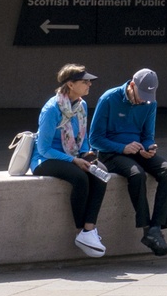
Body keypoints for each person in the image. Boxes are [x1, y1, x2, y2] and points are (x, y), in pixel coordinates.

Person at [90, 68, 167, 256]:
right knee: (137, 174)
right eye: (140, 95)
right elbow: (95, 139)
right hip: (111, 152)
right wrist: (122, 148)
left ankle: (156, 228)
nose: (142, 101)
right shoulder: (109, 99)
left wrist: (148, 147)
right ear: (131, 85)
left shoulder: (149, 103)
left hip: (137, 150)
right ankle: (146, 228)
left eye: (147, 97)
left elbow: (147, 135)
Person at [30, 64, 110, 258]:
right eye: (85, 82)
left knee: (100, 174)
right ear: (71, 84)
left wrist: (85, 155)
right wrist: (74, 161)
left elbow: (82, 138)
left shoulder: (81, 105)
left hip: (72, 155)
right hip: (46, 159)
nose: (89, 84)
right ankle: (79, 230)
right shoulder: (52, 109)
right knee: (80, 178)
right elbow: (44, 148)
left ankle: (89, 230)